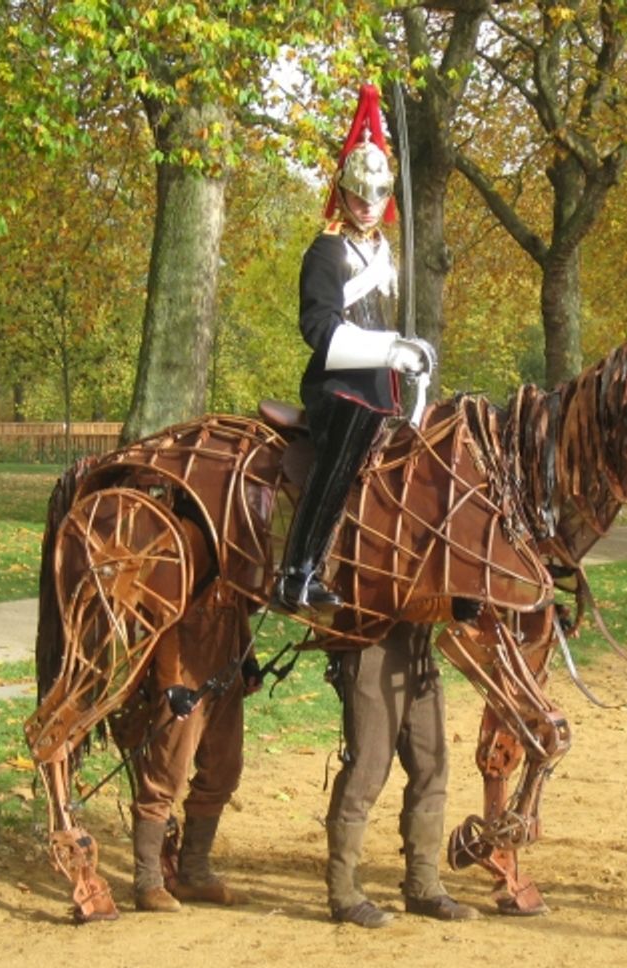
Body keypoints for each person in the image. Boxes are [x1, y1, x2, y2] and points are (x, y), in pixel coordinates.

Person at [271, 83, 433, 618]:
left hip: (380, 389)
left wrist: (409, 352)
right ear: (343, 192)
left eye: (377, 196)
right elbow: (318, 328)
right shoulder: (326, 251)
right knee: (349, 437)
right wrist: (389, 349)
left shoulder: (386, 254)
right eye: (359, 195)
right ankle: (299, 571)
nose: (368, 205)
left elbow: (387, 322)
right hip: (335, 385)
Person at [324, 622, 479, 927]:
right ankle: (344, 894)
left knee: (431, 768)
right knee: (366, 770)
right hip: (373, 644)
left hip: (419, 648)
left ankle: (423, 886)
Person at [122, 584, 262, 912]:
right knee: (166, 776)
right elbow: (164, 614)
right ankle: (148, 882)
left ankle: (194, 873)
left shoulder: (234, 542)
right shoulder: (185, 540)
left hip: (225, 667)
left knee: (224, 772)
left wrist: (248, 657)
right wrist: (170, 681)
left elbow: (238, 604)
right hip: (185, 669)